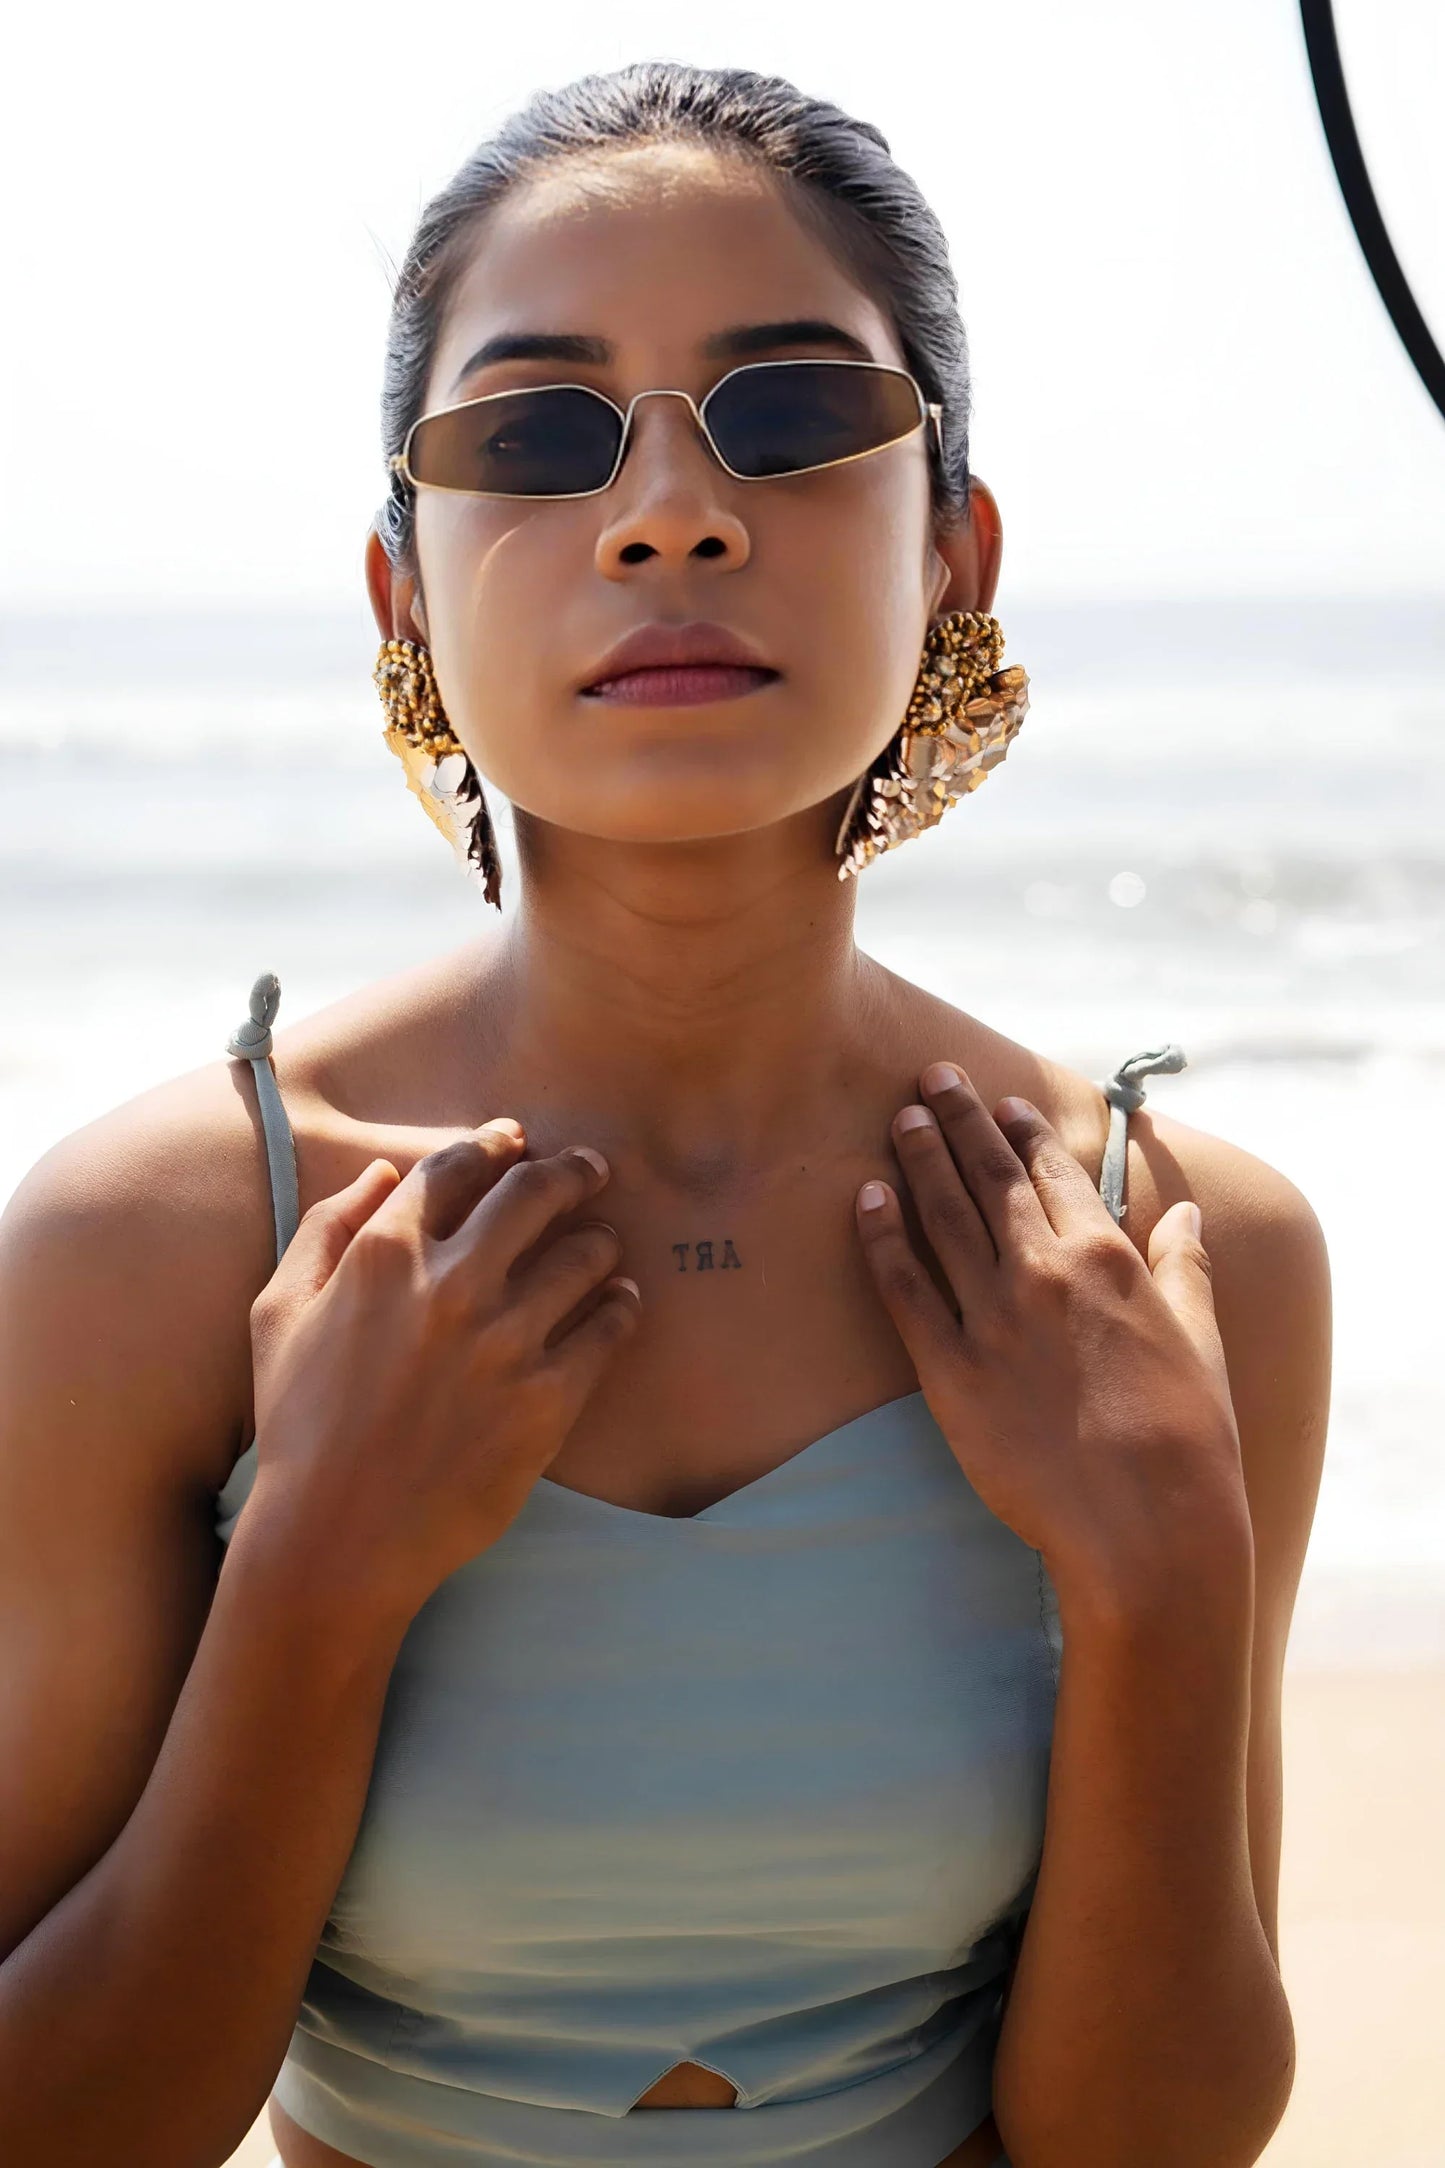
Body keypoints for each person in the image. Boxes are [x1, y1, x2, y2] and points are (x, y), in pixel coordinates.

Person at [0, 59, 1330, 2168]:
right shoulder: (156, 1251)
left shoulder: (1174, 1253)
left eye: (795, 416)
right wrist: (322, 1568)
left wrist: (1157, 1569)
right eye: (535, 434)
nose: (671, 511)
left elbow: (1150, 2141)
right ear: (404, 593)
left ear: (955, 551)